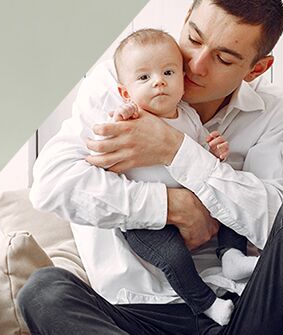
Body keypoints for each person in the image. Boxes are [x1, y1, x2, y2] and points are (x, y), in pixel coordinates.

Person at [18, 0, 283, 333]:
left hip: (238, 309)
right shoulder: (122, 82)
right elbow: (52, 184)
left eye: (223, 58)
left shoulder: (274, 116)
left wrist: (176, 150)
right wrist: (170, 206)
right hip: (134, 313)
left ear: (256, 69)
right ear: (185, 20)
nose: (195, 66)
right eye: (194, 39)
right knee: (44, 291)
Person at [31, 27, 248, 326]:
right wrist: (169, 204)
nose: (159, 82)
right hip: (147, 228)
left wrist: (213, 152)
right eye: (144, 78)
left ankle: (232, 257)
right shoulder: (126, 116)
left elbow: (204, 164)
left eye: (169, 72)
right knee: (174, 259)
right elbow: (58, 181)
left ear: (181, 80)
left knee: (233, 205)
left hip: (212, 233)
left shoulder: (189, 117)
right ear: (124, 91)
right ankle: (206, 303)